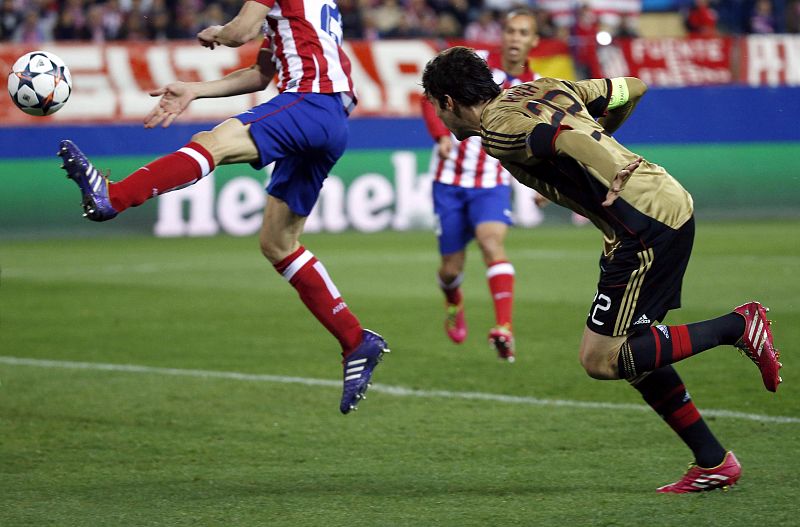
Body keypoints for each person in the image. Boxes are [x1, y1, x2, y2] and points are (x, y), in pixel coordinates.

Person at [421, 46, 783, 492]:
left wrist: (608, 161)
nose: (439, 117)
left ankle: (738, 326)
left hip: (642, 226)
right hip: (660, 203)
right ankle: (712, 461)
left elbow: (558, 138)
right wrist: (602, 140)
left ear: (448, 102)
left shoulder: (499, 129)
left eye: (435, 107)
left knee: (601, 358)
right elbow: (632, 88)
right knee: (633, 349)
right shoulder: (544, 88)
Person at [57, 0, 389, 415]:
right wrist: (195, 89)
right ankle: (355, 339)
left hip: (309, 100)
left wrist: (215, 31)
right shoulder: (313, 10)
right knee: (279, 244)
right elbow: (260, 74)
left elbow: (239, 33)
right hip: (332, 119)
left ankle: (113, 196)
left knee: (211, 144)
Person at [421, 8, 539, 362]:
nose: (515, 37)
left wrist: (545, 182)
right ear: (501, 35)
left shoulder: (536, 87)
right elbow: (429, 97)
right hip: (449, 181)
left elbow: (545, 134)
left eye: (523, 32)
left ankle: (504, 327)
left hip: (492, 182)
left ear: (534, 41)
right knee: (450, 269)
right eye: (510, 30)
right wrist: (441, 133)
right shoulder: (474, 66)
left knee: (492, 245)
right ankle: (453, 298)